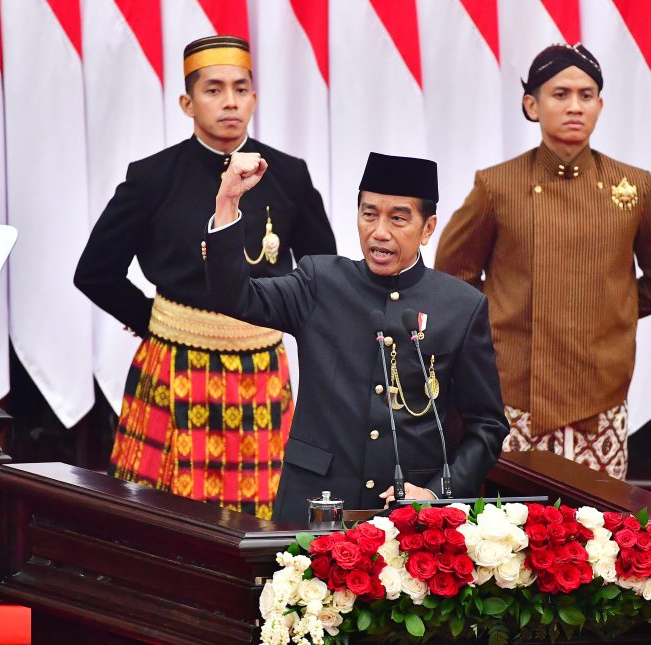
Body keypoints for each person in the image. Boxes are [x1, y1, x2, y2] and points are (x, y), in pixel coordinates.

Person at [74, 35, 336, 519]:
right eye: (213, 90)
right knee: (159, 515)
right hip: (173, 364)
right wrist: (156, 322)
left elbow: (324, 273)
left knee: (262, 519)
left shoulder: (289, 175)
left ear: (254, 98)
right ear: (187, 103)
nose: (230, 101)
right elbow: (95, 272)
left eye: (240, 88)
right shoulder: (153, 177)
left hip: (261, 370)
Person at [203, 151, 509, 523]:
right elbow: (234, 296)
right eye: (369, 214)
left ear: (428, 228)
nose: (379, 231)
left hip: (405, 519)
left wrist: (435, 493)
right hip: (312, 507)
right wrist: (228, 200)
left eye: (398, 218)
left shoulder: (461, 306)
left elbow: (487, 426)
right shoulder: (320, 281)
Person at [434, 43, 651, 480]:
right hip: (513, 394)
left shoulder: (633, 186)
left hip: (599, 393)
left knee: (598, 521)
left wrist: (611, 310)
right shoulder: (498, 185)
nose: (575, 106)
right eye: (560, 94)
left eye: (586, 95)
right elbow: (452, 279)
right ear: (531, 105)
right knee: (511, 520)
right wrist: (507, 317)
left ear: (600, 106)